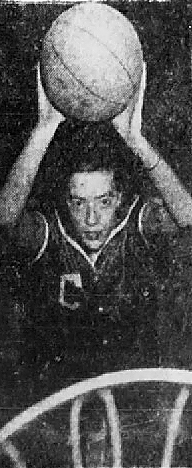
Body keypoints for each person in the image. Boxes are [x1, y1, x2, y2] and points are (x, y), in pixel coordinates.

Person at [0, 63, 192, 388]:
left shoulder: (135, 225)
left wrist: (136, 139)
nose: (91, 218)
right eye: (79, 202)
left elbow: (187, 215)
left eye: (102, 201)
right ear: (65, 201)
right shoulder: (50, 233)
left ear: (119, 199)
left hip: (134, 393)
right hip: (58, 394)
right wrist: (43, 130)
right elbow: (6, 219)